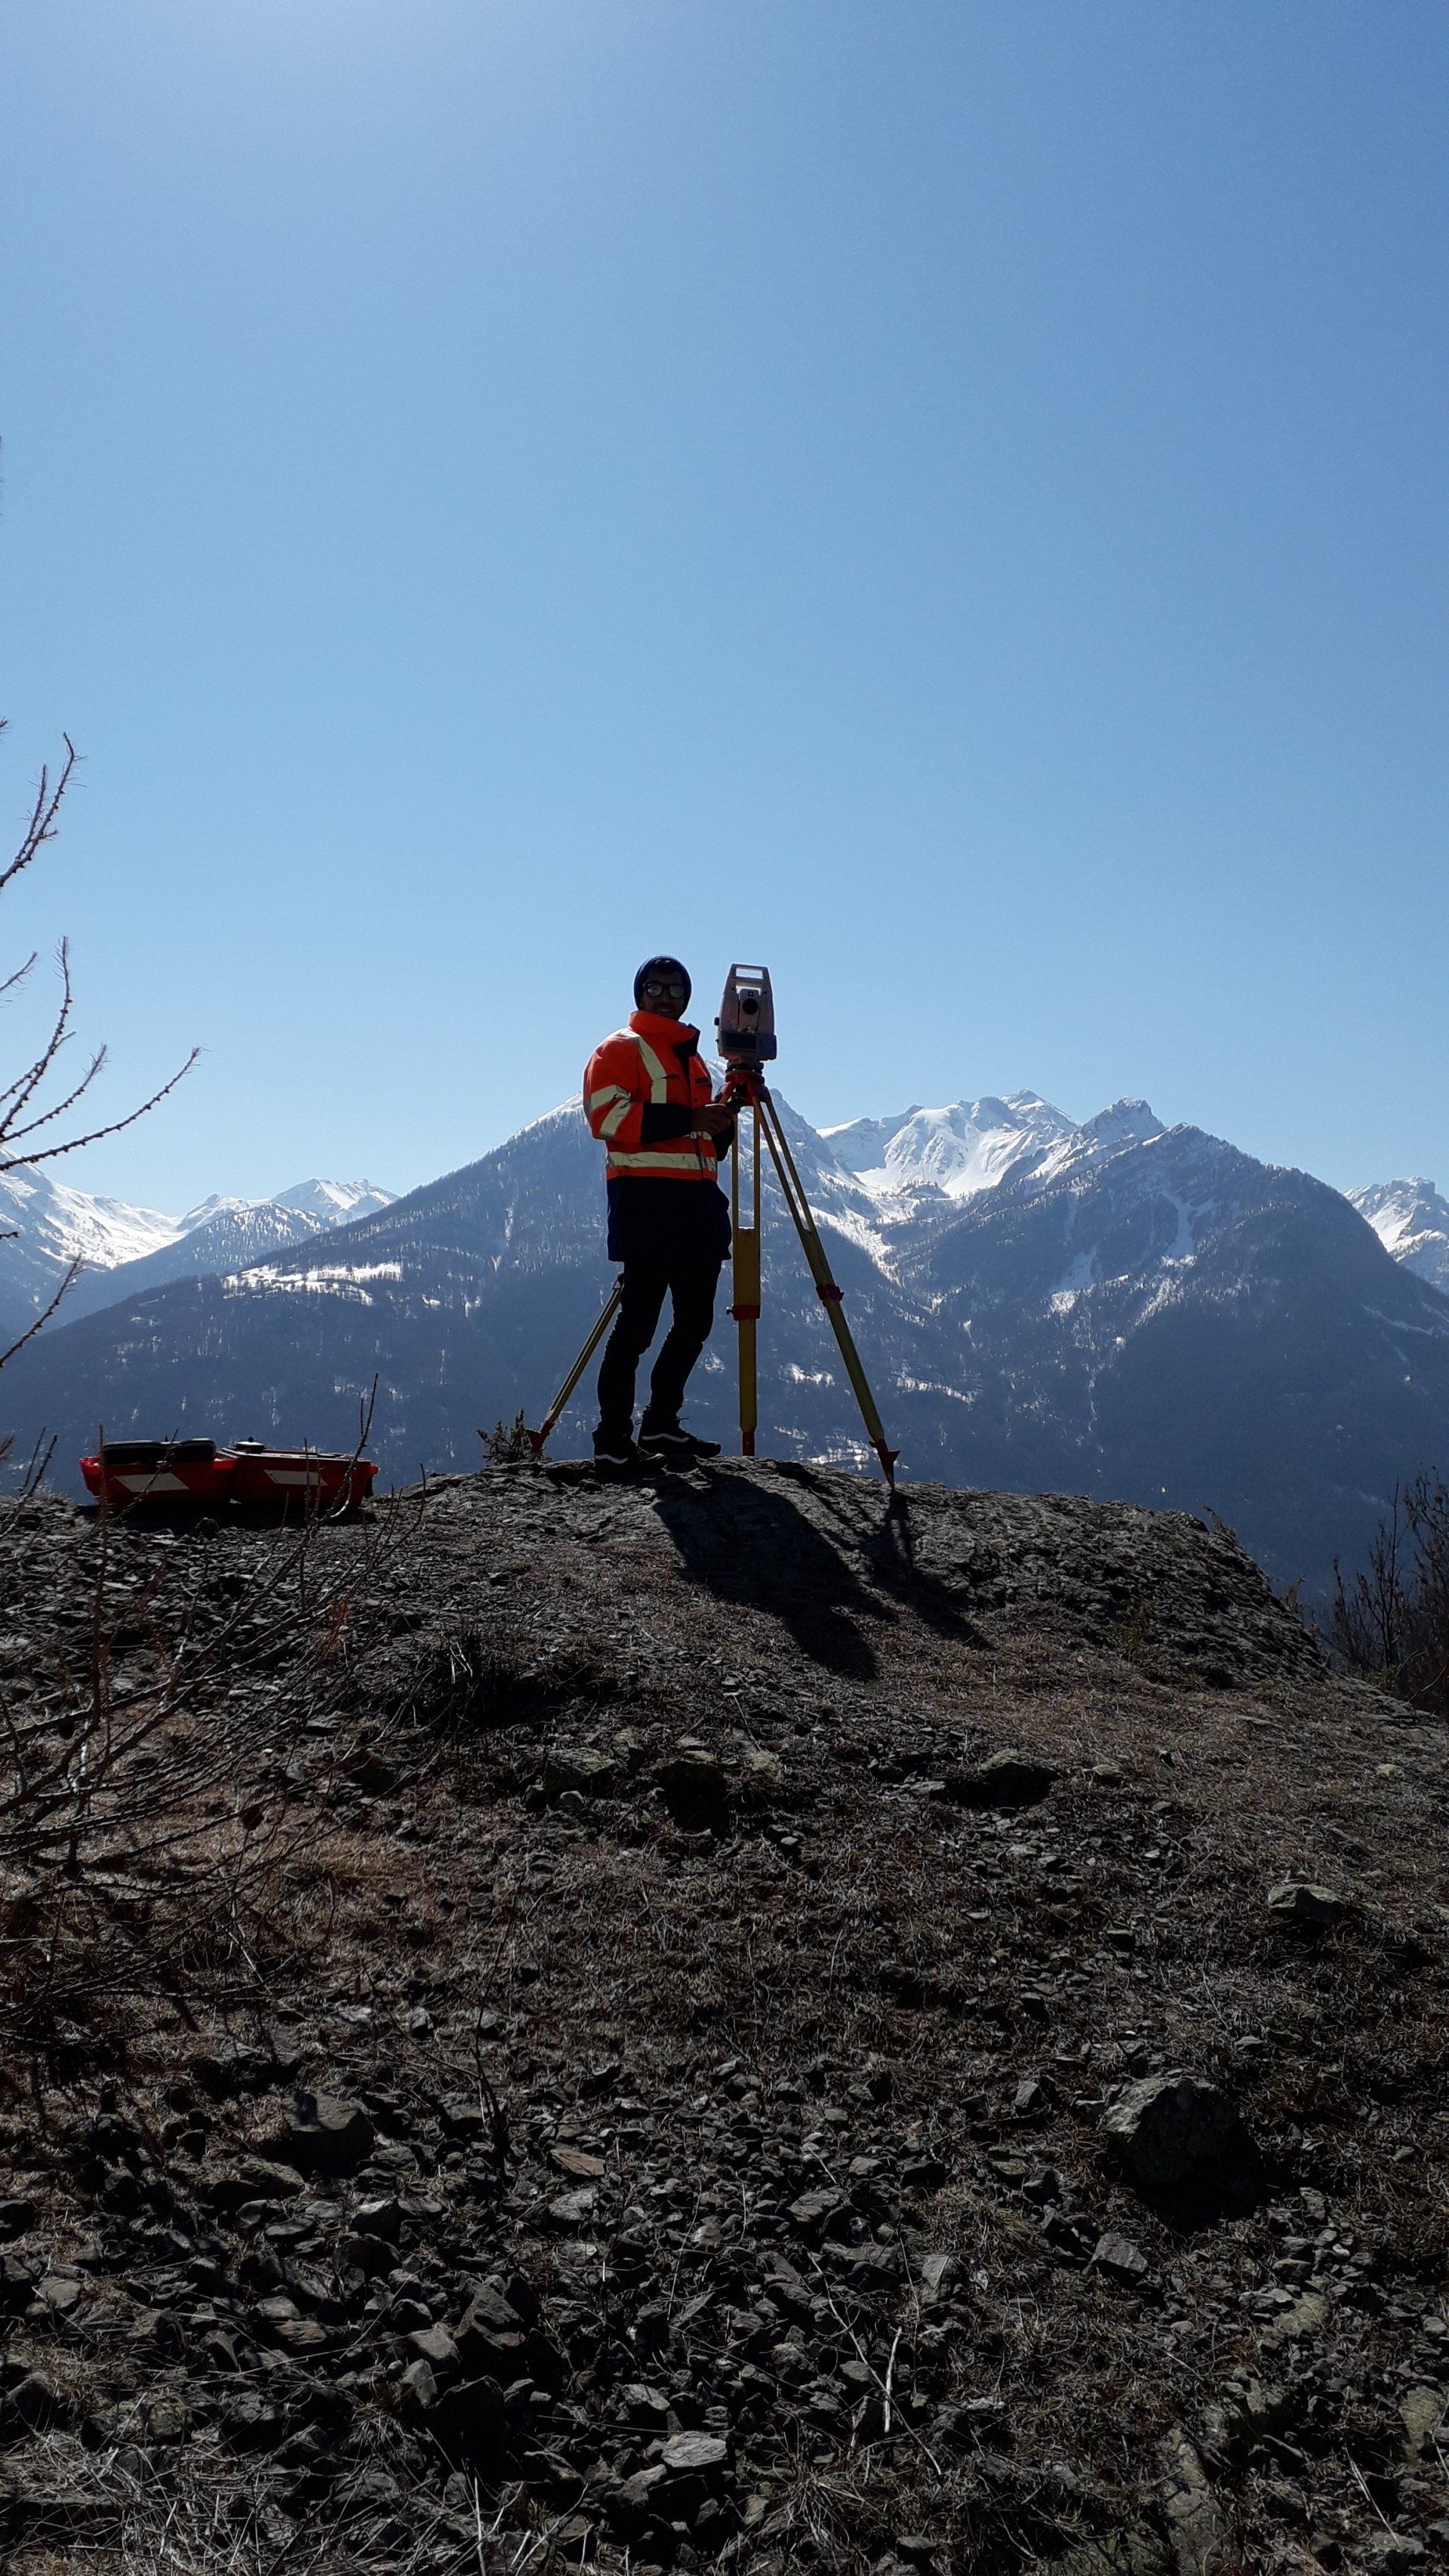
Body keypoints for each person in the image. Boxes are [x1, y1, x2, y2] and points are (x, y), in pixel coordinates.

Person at [583, 956, 736, 1470]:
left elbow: (705, 1146)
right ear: (640, 993)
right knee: (637, 1328)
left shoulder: (693, 1060)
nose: (665, 996)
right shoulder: (620, 1049)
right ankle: (612, 1437)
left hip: (695, 1206)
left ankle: (662, 1425)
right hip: (647, 1204)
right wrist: (694, 1116)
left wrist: (724, 1116)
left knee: (694, 1323)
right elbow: (608, 1118)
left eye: (674, 989)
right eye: (655, 987)